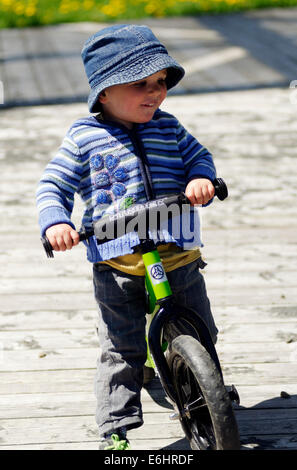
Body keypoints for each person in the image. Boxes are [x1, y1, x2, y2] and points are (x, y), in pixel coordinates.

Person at [36, 24, 218, 450]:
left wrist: (201, 181)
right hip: (118, 265)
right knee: (121, 350)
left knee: (201, 331)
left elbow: (200, 158)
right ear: (104, 92)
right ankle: (115, 428)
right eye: (140, 84)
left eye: (160, 82)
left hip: (178, 256)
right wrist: (56, 223)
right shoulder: (85, 137)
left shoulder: (169, 127)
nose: (155, 92)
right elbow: (53, 185)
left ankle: (206, 391)